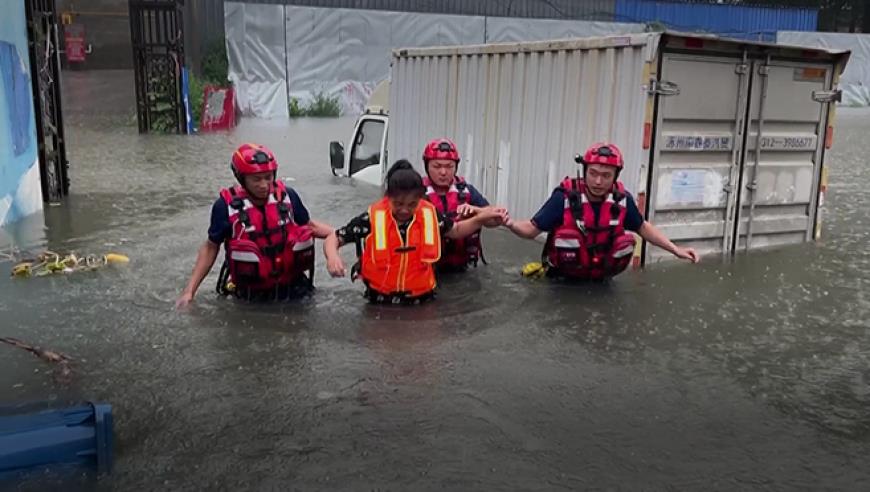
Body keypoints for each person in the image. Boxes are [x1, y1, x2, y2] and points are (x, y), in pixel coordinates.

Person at [504, 142, 699, 280]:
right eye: (593, 173)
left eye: (606, 175)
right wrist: (509, 223)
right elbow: (531, 229)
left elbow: (643, 227)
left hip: (602, 282)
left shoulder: (622, 201)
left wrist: (676, 250)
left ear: (615, 176)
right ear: (585, 170)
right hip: (561, 283)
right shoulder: (563, 198)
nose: (598, 181)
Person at [323, 160, 506, 304]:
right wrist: (333, 257)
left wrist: (481, 217)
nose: (404, 210)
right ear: (388, 198)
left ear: (420, 198)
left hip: (422, 302)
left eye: (412, 204)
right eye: (398, 204)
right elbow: (335, 237)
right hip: (379, 302)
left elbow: (456, 230)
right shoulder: (372, 218)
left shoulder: (430, 214)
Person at [176, 143, 334, 306]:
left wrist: (339, 236)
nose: (264, 185)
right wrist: (189, 292)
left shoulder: (288, 197)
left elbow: (310, 227)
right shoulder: (225, 207)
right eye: (256, 179)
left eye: (268, 177)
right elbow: (211, 247)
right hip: (250, 296)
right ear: (241, 178)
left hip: (295, 290)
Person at [421, 138, 501, 272]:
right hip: (429, 268)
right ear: (427, 166)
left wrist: (475, 211)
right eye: (437, 166)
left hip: (464, 268)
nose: (443, 172)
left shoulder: (467, 191)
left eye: (449, 166)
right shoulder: (416, 193)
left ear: (456, 167)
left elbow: (495, 220)